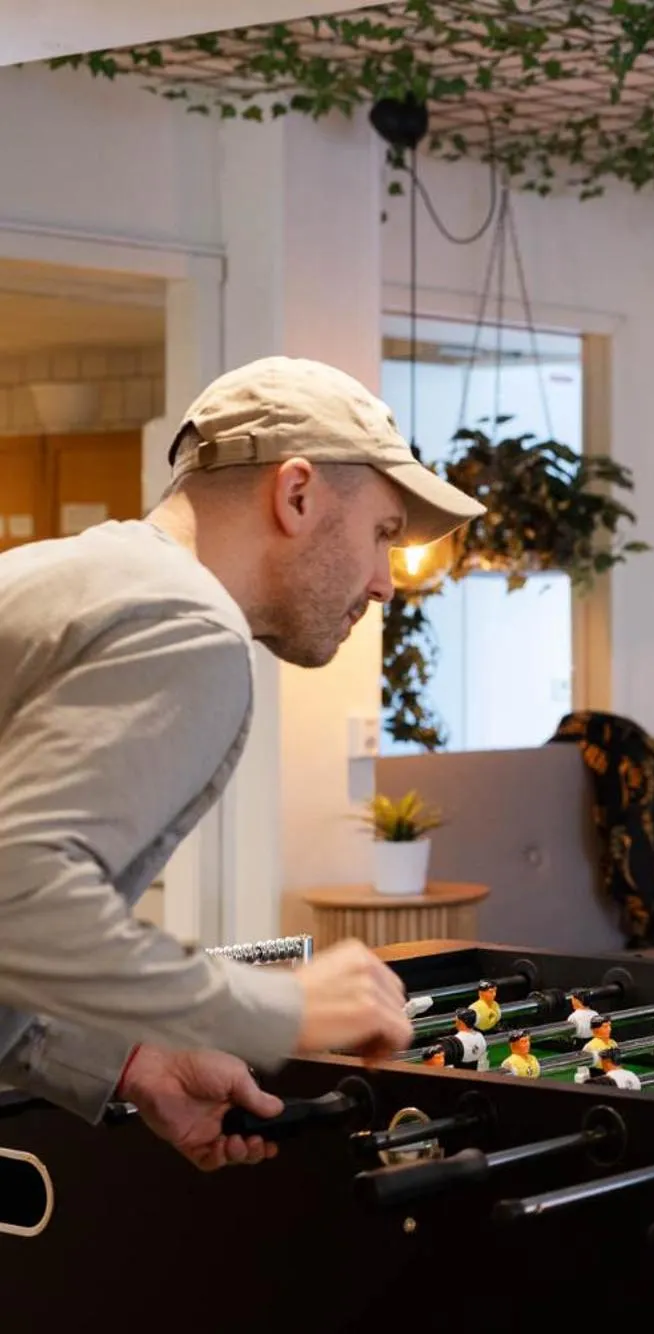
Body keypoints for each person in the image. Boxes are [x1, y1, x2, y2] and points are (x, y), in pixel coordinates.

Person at [0, 355, 486, 1172]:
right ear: (296, 495)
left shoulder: (69, 577)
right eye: (382, 535)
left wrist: (127, 1058)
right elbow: (20, 891)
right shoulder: (190, 630)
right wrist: (274, 1008)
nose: (382, 585)